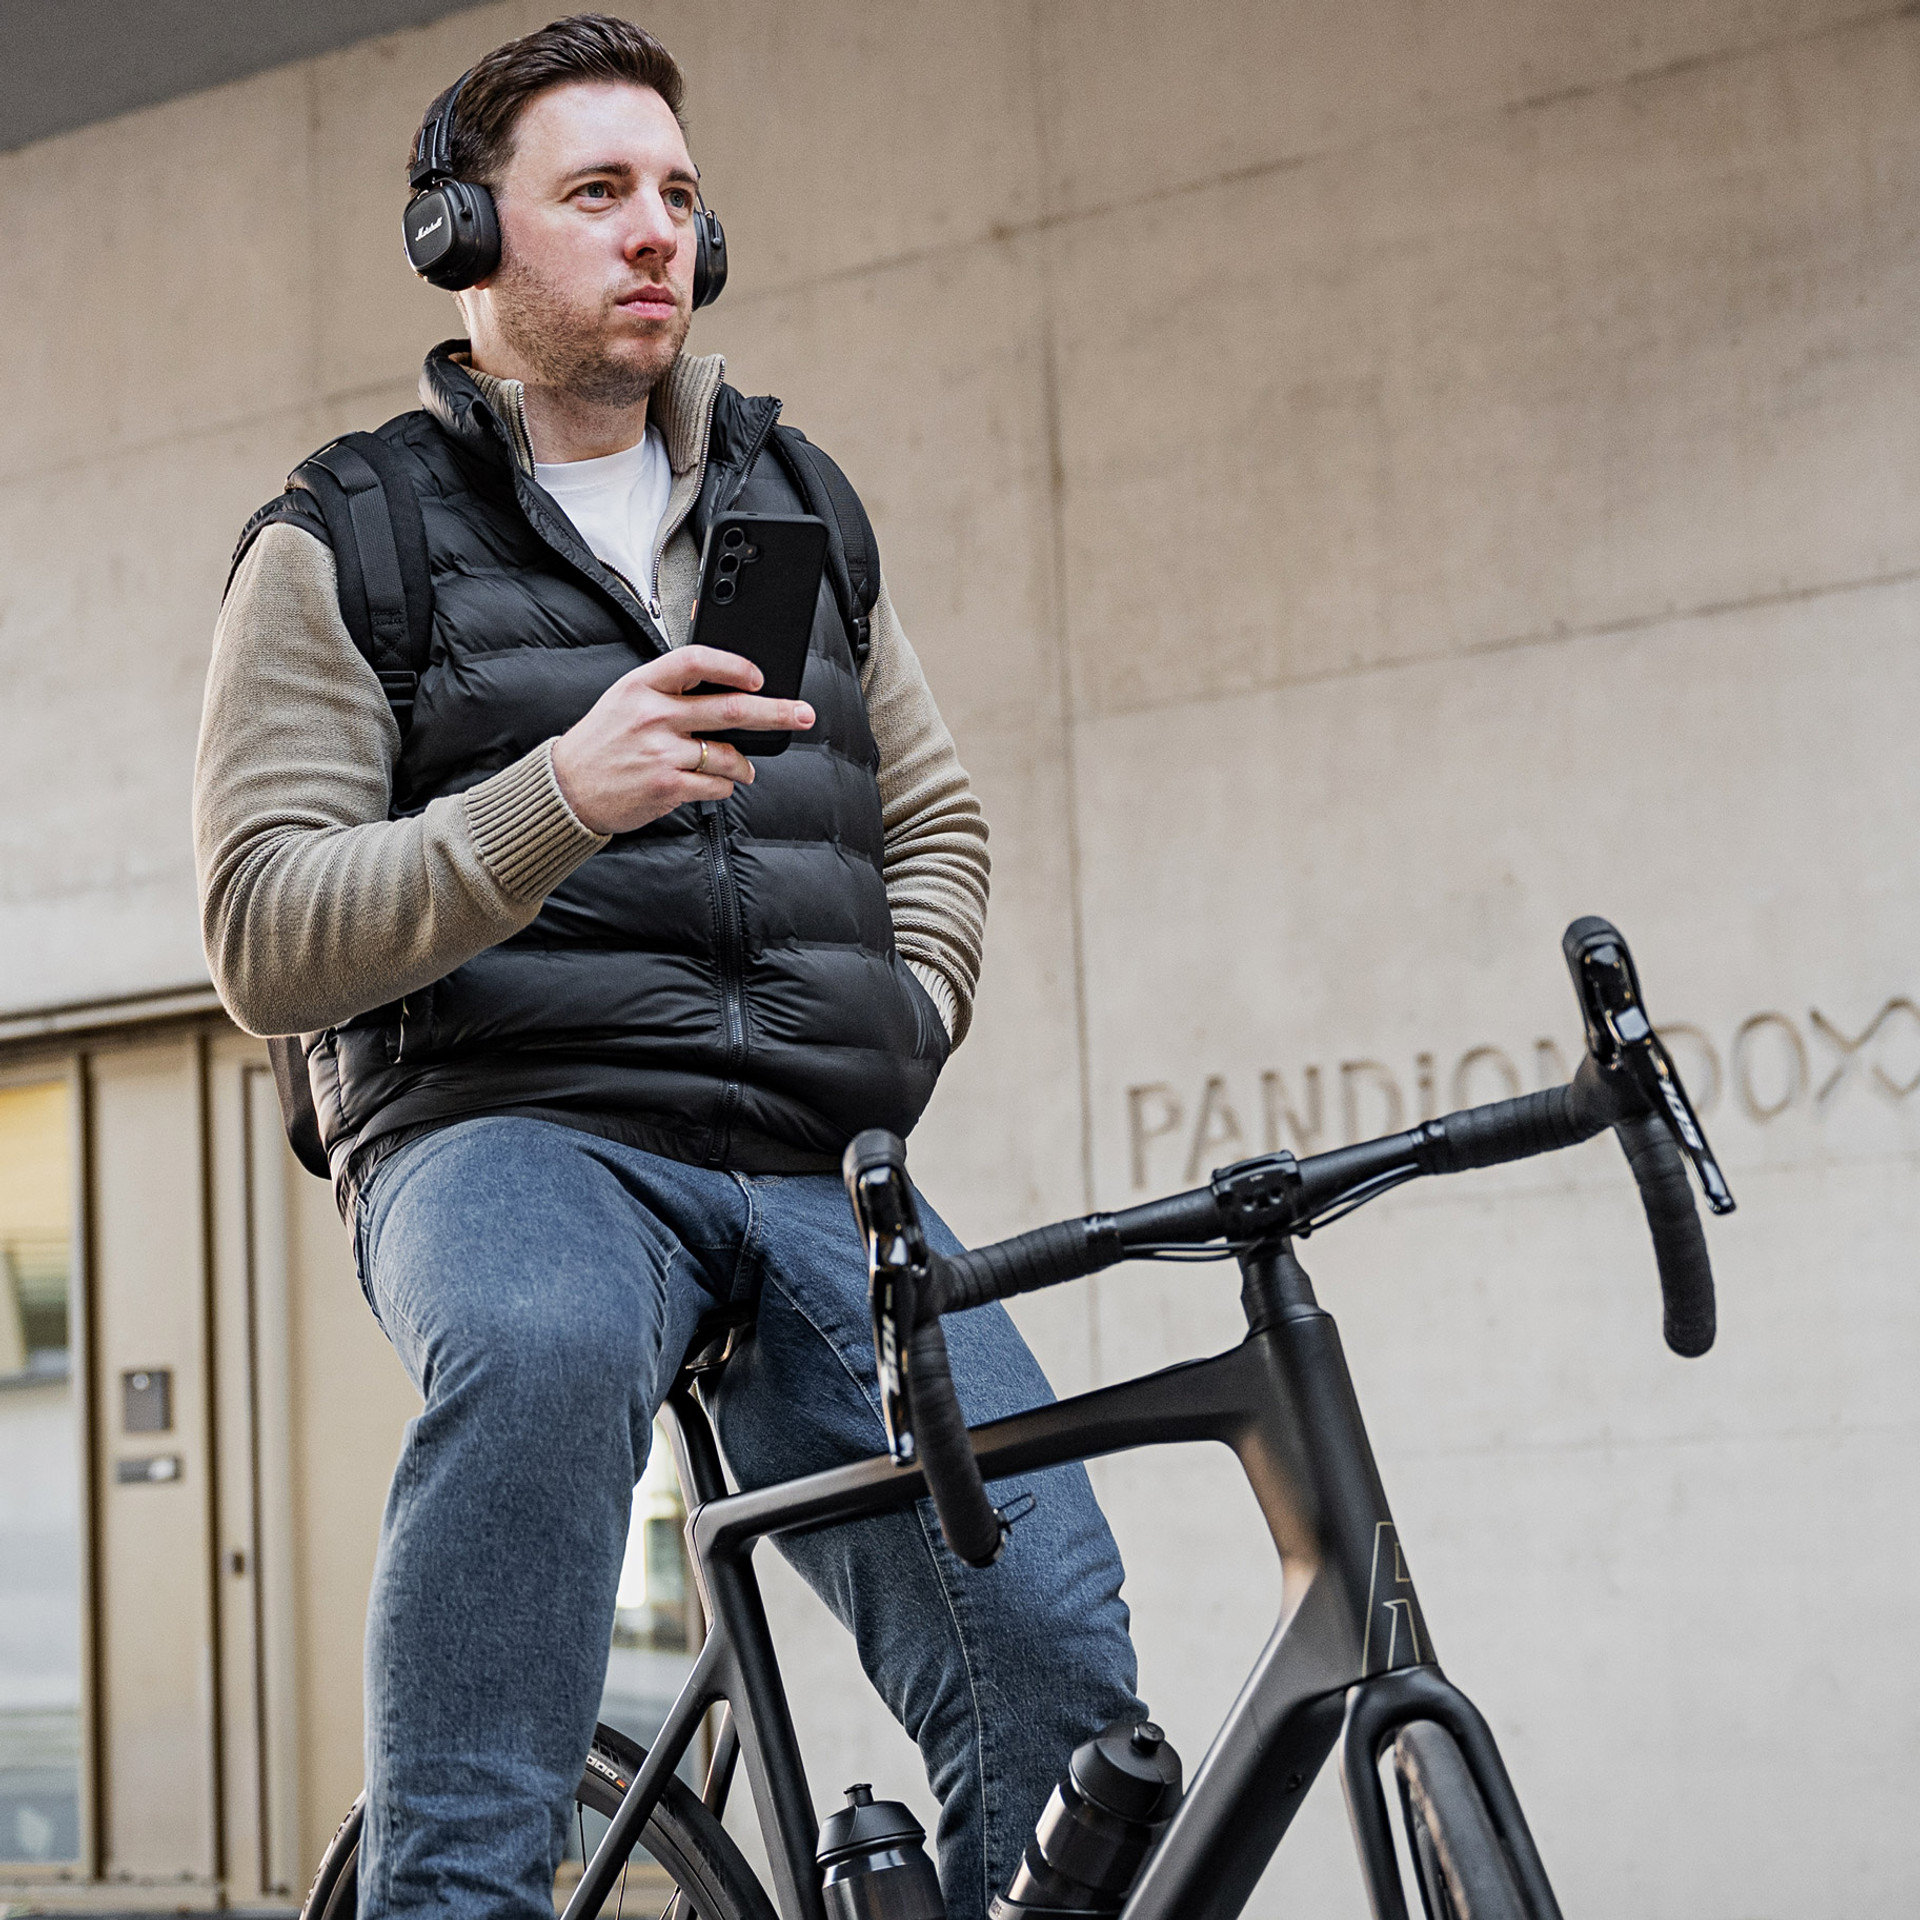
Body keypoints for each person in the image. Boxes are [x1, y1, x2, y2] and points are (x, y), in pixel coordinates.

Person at [191, 16, 1140, 1920]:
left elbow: (936, 826)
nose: (657, 237)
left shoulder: (799, 503)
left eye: (681, 199)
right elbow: (263, 932)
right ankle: (455, 1894)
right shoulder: (344, 537)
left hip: (810, 1154)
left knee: (1052, 1623)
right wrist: (559, 793)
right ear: (465, 237)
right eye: (598, 193)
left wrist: (903, 1017)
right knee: (538, 1356)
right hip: (508, 1126)